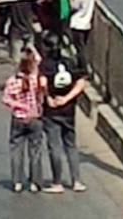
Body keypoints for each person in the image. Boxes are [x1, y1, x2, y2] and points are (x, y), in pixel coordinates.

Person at [41, 45, 87, 193]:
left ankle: (57, 182)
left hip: (52, 111)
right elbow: (81, 83)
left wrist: (48, 98)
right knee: (71, 146)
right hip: (69, 111)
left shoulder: (45, 65)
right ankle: (77, 181)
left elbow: (42, 84)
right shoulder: (69, 63)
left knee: (55, 147)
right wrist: (67, 98)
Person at [2, 52, 46, 193]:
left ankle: (17, 182)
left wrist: (19, 106)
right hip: (35, 118)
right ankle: (35, 182)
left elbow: (6, 99)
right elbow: (39, 59)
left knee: (16, 151)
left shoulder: (12, 80)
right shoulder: (36, 79)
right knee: (35, 151)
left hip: (18, 118)